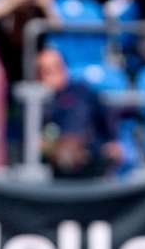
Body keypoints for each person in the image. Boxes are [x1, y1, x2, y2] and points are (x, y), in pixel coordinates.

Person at [36, 48, 121, 178]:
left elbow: (106, 120)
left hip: (91, 159)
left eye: (56, 67)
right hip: (54, 165)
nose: (53, 75)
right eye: (46, 71)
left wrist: (112, 142)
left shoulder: (82, 92)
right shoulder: (35, 103)